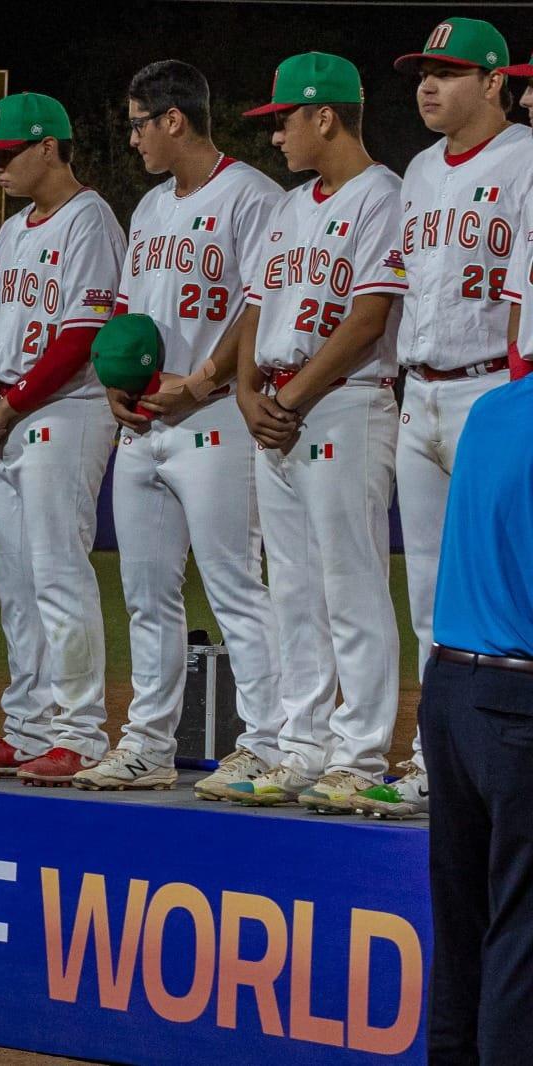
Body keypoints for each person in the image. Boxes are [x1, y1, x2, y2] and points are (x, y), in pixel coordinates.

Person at [73, 61, 285, 793]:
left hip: (217, 415)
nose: (131, 138)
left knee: (235, 585)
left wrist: (201, 382)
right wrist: (115, 385)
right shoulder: (150, 209)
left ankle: (266, 743)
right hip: (146, 422)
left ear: (173, 119)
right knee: (145, 594)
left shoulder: (252, 197)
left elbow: (257, 306)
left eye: (137, 122)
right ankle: (148, 745)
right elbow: (127, 317)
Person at [223, 54, 406, 812]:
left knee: (350, 584)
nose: (276, 137)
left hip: (345, 402)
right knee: (291, 588)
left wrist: (290, 395)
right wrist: (245, 393)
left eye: (283, 120)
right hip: (277, 406)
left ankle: (361, 754)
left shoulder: (383, 196)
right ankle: (301, 748)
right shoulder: (292, 208)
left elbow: (369, 317)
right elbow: (257, 308)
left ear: (324, 115)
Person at [365, 16, 533, 819]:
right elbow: (405, 290)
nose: (429, 85)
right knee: (430, 594)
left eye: (450, 71)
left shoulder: (528, 160)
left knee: (505, 591)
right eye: (423, 72)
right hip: (420, 391)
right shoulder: (421, 169)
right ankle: (440, 761)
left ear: (496, 82)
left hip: (492, 394)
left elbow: (520, 300)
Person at [0, 93, 125, 786]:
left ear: (48, 146)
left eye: (6, 153)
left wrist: (12, 402)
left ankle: (78, 733)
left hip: (64, 411)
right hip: (4, 413)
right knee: (16, 589)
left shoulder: (91, 219)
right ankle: (26, 730)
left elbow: (83, 334)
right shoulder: (15, 229)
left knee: (58, 577)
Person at [416, 355, 533, 1060]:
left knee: (461, 930)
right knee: (521, 937)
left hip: (450, 694)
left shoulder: (492, 410)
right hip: (519, 708)